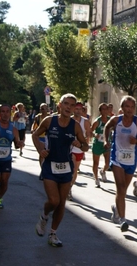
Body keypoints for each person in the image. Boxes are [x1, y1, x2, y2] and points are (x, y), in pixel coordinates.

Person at [32, 93, 88, 247]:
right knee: (54, 200)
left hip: (66, 167)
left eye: (72, 105)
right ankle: (44, 217)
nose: (69, 107)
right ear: (60, 105)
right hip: (50, 165)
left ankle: (53, 233)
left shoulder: (75, 125)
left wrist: (79, 145)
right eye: (66, 104)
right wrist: (40, 149)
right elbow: (35, 135)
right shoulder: (49, 121)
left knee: (62, 202)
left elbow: (85, 146)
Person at [104, 96, 137, 232]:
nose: (129, 109)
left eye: (131, 107)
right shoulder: (116, 120)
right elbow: (106, 127)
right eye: (126, 107)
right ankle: (123, 219)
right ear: (122, 108)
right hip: (117, 158)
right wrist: (106, 141)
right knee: (121, 188)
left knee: (123, 191)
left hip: (131, 159)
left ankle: (116, 208)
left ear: (134, 108)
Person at [0, 104, 24, 208]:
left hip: (6, 159)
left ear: (10, 113)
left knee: (4, 180)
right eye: (2, 111)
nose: (5, 114)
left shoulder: (13, 129)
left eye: (7, 111)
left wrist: (20, 144)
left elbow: (16, 144)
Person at [69, 102, 91, 200]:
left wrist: (85, 147)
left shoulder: (85, 121)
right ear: (73, 109)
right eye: (76, 109)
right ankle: (67, 188)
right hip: (69, 148)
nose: (78, 111)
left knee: (75, 170)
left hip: (79, 149)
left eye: (80, 109)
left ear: (82, 110)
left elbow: (88, 135)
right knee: (72, 168)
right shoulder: (69, 120)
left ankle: (69, 187)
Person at [91, 103, 111, 187]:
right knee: (96, 163)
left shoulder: (110, 120)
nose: (105, 110)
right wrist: (95, 135)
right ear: (100, 111)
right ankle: (96, 178)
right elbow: (91, 131)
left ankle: (102, 171)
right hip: (97, 144)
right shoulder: (97, 121)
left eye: (106, 109)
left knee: (108, 163)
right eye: (103, 109)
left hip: (106, 143)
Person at [31, 103, 49, 169]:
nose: (42, 110)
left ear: (47, 109)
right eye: (41, 108)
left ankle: (47, 167)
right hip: (40, 137)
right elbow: (34, 124)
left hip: (47, 137)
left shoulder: (49, 117)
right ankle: (42, 168)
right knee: (41, 153)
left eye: (44, 108)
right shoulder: (38, 117)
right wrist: (33, 129)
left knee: (48, 153)